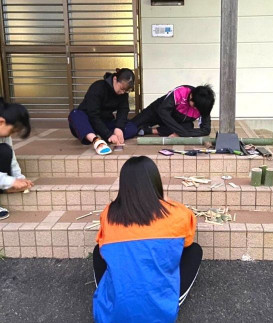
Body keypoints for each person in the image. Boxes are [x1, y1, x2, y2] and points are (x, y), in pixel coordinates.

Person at [92, 156, 202, 322]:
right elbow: (186, 242)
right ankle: (171, 298)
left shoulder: (109, 213)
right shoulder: (178, 212)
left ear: (124, 185)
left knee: (98, 250)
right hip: (161, 310)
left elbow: (103, 251)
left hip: (112, 313)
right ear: (155, 181)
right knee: (194, 250)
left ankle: (112, 297)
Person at [68, 68, 137, 155]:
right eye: (121, 88)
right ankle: (96, 140)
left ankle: (105, 137)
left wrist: (118, 128)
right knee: (75, 114)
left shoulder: (123, 94)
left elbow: (123, 110)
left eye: (126, 91)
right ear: (115, 79)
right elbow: (93, 115)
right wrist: (108, 134)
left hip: (105, 123)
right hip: (87, 122)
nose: (123, 92)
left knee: (132, 127)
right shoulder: (98, 87)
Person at [130, 84, 215, 137]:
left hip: (175, 121)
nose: (196, 109)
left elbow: (206, 130)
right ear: (191, 97)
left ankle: (150, 130)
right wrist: (183, 133)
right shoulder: (182, 91)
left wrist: (182, 133)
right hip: (157, 111)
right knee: (130, 127)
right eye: (195, 106)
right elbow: (163, 111)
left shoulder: (203, 106)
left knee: (188, 126)